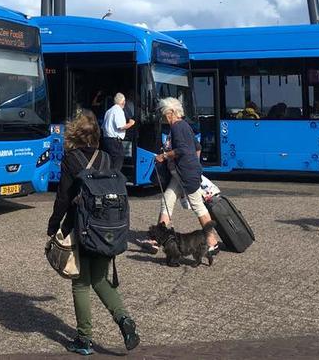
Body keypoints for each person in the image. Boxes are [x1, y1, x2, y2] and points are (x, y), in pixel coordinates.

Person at [46, 111, 139, 356]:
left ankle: (84, 339)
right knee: (100, 279)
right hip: (107, 229)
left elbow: (63, 198)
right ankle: (125, 321)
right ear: (96, 134)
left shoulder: (71, 159)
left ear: (74, 133)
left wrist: (54, 226)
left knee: (81, 283)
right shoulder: (107, 158)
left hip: (82, 228)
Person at [155, 97, 220, 257]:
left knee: (198, 206)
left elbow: (182, 149)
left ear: (170, 112)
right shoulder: (185, 126)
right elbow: (197, 147)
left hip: (185, 175)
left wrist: (164, 155)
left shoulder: (177, 127)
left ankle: (212, 242)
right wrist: (195, 165)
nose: (163, 117)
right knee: (167, 200)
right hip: (181, 174)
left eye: (163, 114)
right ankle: (158, 239)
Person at [100, 92, 135, 173]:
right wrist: (131, 123)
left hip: (106, 139)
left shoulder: (109, 111)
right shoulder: (118, 111)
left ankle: (108, 178)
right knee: (118, 160)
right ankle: (114, 178)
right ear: (123, 102)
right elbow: (121, 127)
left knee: (109, 161)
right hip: (114, 141)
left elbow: (103, 126)